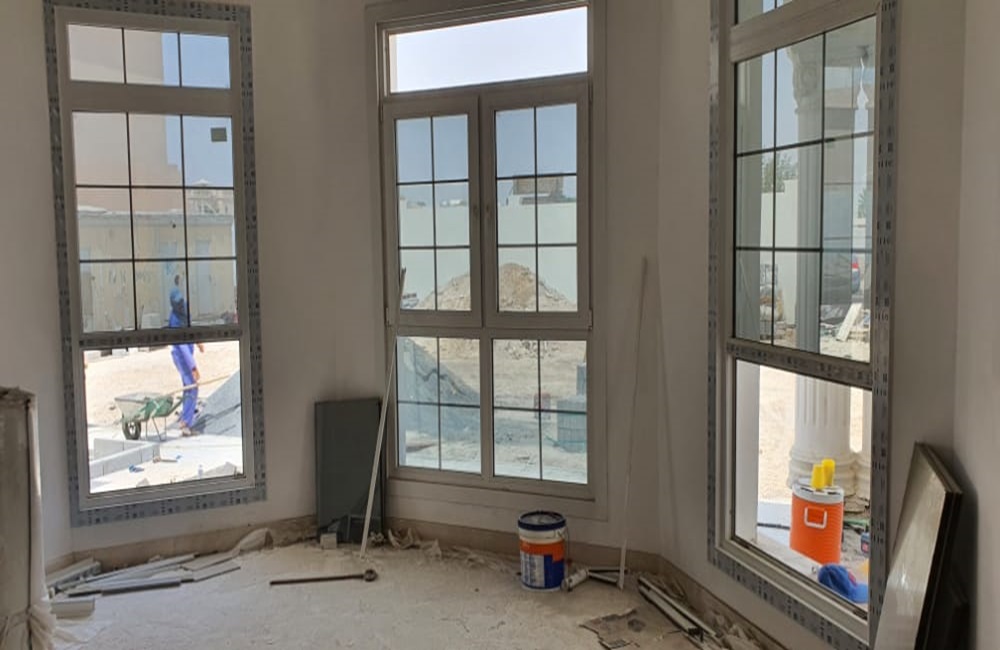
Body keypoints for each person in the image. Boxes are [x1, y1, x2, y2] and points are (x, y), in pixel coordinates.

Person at [168, 275, 204, 436]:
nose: (181, 306)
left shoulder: (184, 309)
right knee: (192, 387)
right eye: (179, 304)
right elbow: (182, 347)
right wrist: (193, 367)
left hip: (187, 352)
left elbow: (190, 326)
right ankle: (186, 423)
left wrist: (197, 340)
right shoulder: (174, 321)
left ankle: (185, 418)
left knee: (188, 387)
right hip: (181, 357)